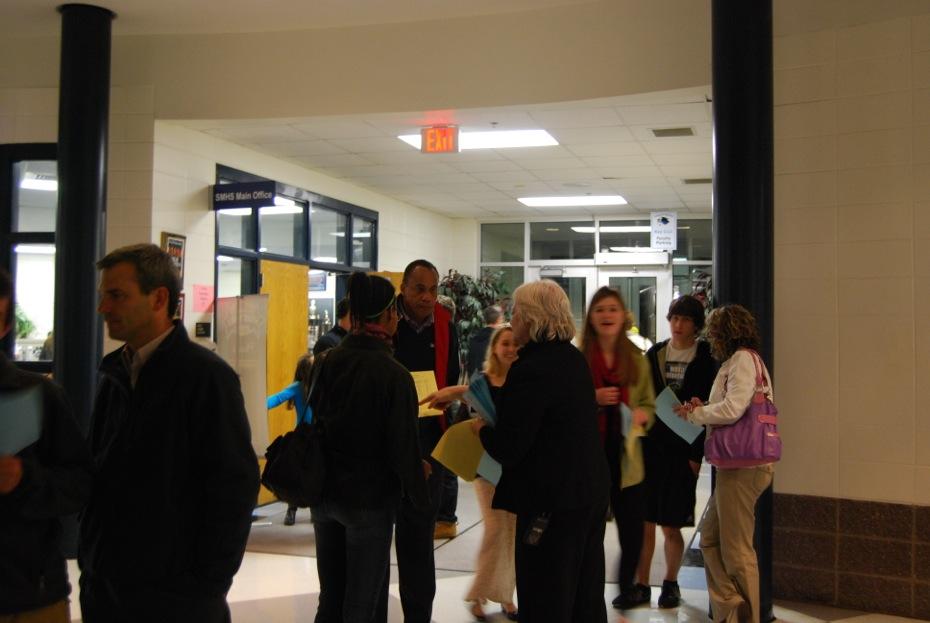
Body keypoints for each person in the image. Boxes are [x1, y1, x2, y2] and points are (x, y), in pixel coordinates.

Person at [80, 243, 260, 623]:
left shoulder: (205, 378)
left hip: (176, 598)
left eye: (116, 296)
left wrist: (206, 583)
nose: (103, 308)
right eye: (103, 296)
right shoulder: (114, 374)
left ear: (159, 297)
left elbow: (234, 487)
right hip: (107, 588)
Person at [473, 280, 609, 623]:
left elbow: (509, 447)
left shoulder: (530, 368)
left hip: (550, 504)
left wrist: (481, 431)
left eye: (516, 313)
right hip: (587, 494)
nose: (510, 321)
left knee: (545, 598)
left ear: (533, 318)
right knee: (584, 596)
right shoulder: (573, 359)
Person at [308, 272, 429, 623]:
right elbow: (404, 445)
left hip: (324, 495)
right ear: (389, 316)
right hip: (369, 501)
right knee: (361, 605)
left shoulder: (327, 361)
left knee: (330, 597)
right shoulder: (394, 374)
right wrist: (420, 495)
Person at [0, 268, 93, 623]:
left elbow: (78, 485)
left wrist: (23, 479)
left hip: (30, 597)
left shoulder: (39, 396)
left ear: (6, 326)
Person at [674, 304, 774, 623]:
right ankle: (731, 606)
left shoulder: (743, 359)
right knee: (710, 538)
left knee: (738, 551)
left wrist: (697, 414)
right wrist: (702, 407)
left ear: (725, 332)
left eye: (714, 330)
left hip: (743, 468)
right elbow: (729, 406)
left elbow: (733, 409)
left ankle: (746, 617)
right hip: (736, 467)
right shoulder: (737, 361)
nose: (710, 336)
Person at [422, 325, 519, 621]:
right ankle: (478, 594)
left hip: (516, 467)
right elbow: (466, 394)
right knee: (495, 530)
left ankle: (505, 596)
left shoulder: (525, 381)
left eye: (516, 344)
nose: (511, 348)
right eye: (505, 343)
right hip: (487, 467)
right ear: (495, 348)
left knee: (512, 533)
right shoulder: (483, 382)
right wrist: (448, 393)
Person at [637, 295, 718, 608]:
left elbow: (711, 405)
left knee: (671, 524)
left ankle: (671, 583)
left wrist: (696, 456)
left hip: (683, 451)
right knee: (644, 522)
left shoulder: (706, 357)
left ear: (696, 325)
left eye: (684, 319)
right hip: (651, 448)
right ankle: (641, 584)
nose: (677, 325)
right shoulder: (655, 353)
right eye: (674, 318)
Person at [392, 258, 460, 623]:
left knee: (419, 538)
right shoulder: (387, 321)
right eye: (419, 288)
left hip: (430, 440)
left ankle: (418, 616)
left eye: (433, 289)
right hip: (388, 441)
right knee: (377, 536)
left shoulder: (447, 324)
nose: (427, 297)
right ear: (403, 287)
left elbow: (452, 374)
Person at [579, 286, 655, 611]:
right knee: (589, 530)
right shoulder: (579, 359)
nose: (607, 315)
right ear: (591, 318)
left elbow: (650, 406)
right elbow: (566, 406)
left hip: (627, 459)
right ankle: (588, 590)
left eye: (612, 309)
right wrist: (592, 399)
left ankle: (627, 586)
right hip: (590, 457)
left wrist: (642, 416)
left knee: (632, 532)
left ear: (624, 315)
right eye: (600, 310)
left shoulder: (638, 360)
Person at [266, 353, 315, 526]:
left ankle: (292, 511)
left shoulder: (297, 387)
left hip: (301, 434)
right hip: (315, 435)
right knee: (312, 472)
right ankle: (305, 511)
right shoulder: (315, 387)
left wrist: (256, 405)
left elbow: (275, 399)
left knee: (299, 472)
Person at [465, 305, 503, 378]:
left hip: (475, 383)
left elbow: (470, 366)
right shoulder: (499, 340)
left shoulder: (474, 339)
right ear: (499, 319)